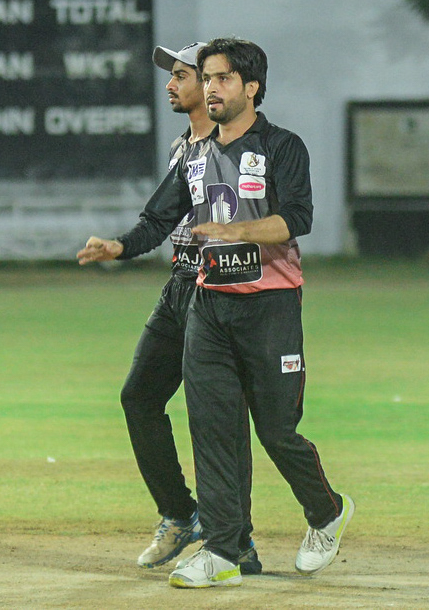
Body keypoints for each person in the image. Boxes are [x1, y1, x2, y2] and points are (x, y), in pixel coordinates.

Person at [110, 37, 352, 589]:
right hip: (209, 306)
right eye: (208, 79)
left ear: (251, 87)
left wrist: (236, 229)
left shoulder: (282, 146)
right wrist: (118, 247)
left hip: (271, 307)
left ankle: (327, 511)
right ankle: (223, 550)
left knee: (277, 432)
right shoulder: (194, 155)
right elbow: (158, 219)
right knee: (213, 430)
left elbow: (298, 217)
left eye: (222, 78)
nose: (211, 88)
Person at [76, 42, 260, 573]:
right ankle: (181, 513)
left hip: (224, 290)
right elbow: (157, 220)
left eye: (182, 75)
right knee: (139, 396)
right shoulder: (186, 147)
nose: (171, 85)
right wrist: (120, 246)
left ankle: (238, 541)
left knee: (223, 418)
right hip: (181, 284)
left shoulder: (244, 146)